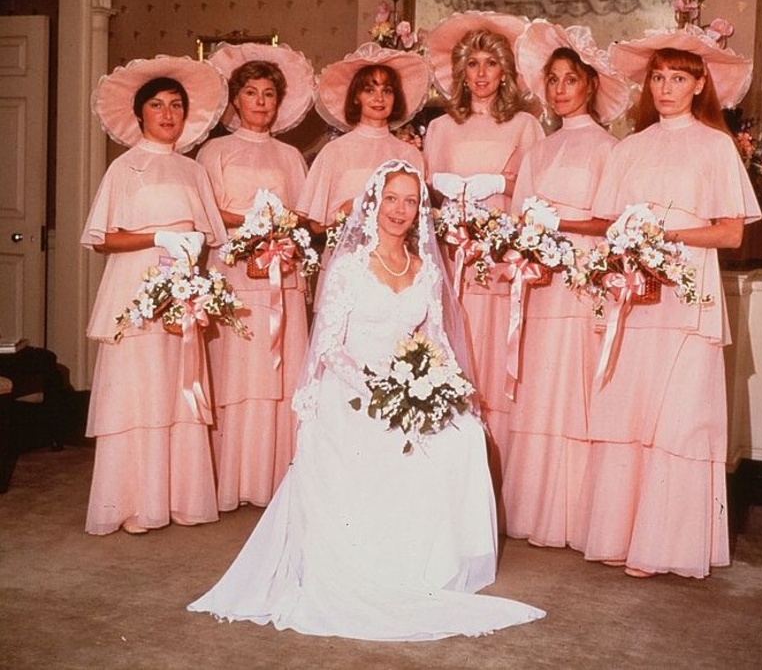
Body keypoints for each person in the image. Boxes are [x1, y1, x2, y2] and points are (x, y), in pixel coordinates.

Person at [188, 159, 546, 640]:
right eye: (392, 199)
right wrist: (379, 387)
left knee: (462, 435)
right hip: (352, 387)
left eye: (410, 200)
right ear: (374, 203)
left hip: (408, 384)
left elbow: (436, 340)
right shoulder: (350, 268)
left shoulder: (424, 271)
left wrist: (447, 387)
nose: (400, 210)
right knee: (378, 442)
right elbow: (330, 349)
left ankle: (429, 565)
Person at [572, 26, 762, 578]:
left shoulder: (715, 145)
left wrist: (666, 236)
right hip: (636, 295)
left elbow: (730, 234)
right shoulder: (631, 147)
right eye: (658, 77)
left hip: (688, 294)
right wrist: (629, 243)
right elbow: (610, 225)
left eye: (678, 77)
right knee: (630, 406)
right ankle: (619, 535)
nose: (665, 87)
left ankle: (666, 547)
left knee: (678, 415)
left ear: (699, 83)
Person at [81, 55, 229, 535]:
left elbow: (209, 234)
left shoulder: (192, 171)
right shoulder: (125, 168)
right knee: (136, 394)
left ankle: (178, 498)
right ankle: (131, 504)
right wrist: (156, 237)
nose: (168, 115)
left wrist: (191, 270)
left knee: (175, 390)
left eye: (177, 106)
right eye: (158, 105)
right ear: (140, 113)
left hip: (181, 293)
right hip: (133, 292)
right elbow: (103, 238)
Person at [502, 21, 630, 547]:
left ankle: (577, 516)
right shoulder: (539, 150)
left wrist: (561, 224)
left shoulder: (609, 149)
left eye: (569, 79)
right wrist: (530, 239)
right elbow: (518, 217)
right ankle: (533, 511)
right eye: (552, 80)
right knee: (542, 387)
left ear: (590, 85)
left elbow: (615, 221)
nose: (559, 89)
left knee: (576, 388)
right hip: (541, 283)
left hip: (583, 281)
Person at [423, 11, 545, 483]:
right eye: (472, 63)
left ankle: (500, 473)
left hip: (500, 259)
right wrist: (442, 188)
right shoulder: (440, 128)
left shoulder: (524, 126)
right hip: (455, 254)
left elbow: (534, 191)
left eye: (490, 64)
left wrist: (503, 182)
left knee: (497, 353)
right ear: (460, 71)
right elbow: (427, 193)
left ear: (505, 72)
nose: (480, 74)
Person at [197, 43, 313, 511]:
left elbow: (303, 214)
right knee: (239, 371)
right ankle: (235, 478)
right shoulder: (215, 151)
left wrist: (279, 229)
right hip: (236, 270)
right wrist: (254, 223)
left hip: (280, 272)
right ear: (235, 101)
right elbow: (208, 211)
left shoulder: (290, 156)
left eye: (269, 93)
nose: (261, 102)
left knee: (277, 372)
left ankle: (275, 478)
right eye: (251, 92)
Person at [295, 42, 429, 233]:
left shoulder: (409, 154)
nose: (379, 98)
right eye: (370, 90)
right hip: (345, 257)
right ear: (356, 96)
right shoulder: (335, 151)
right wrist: (348, 209)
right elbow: (317, 226)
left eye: (387, 91)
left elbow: (418, 223)